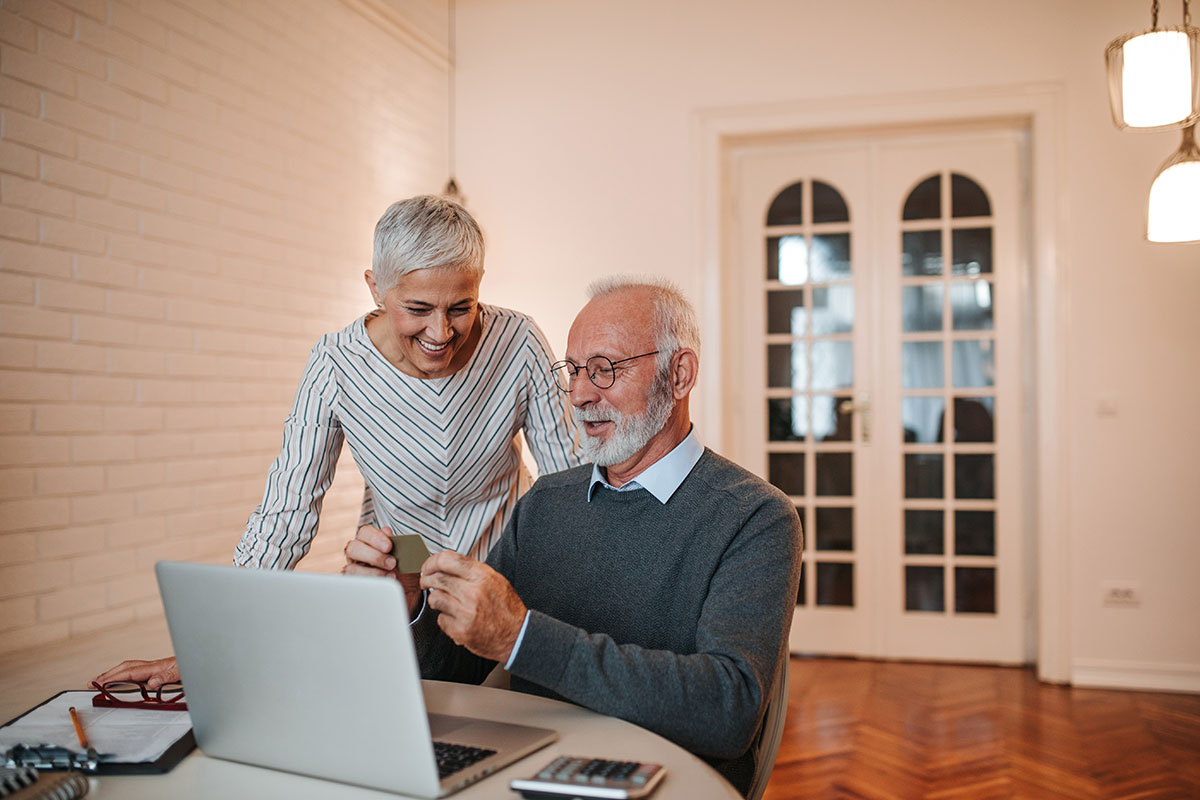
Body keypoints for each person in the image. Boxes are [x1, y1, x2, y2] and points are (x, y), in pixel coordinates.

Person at [95, 195, 581, 688]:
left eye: (461, 307)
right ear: (375, 288)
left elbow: (573, 483)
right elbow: (287, 511)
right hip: (402, 590)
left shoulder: (517, 343)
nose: (441, 331)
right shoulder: (334, 365)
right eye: (417, 308)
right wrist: (217, 642)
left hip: (502, 584)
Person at [345, 276, 803, 795]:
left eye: (605, 370)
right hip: (526, 778)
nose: (581, 395)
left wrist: (522, 638)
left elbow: (728, 710)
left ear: (680, 374)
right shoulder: (546, 501)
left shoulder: (756, 517)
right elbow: (455, 670)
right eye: (575, 371)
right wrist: (412, 607)